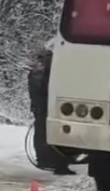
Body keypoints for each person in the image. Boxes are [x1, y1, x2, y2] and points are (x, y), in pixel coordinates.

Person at [28, 47, 75, 175]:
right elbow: (44, 90)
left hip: (43, 107)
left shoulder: (39, 72)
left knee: (43, 134)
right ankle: (55, 163)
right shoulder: (41, 73)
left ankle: (48, 160)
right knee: (49, 134)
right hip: (45, 108)